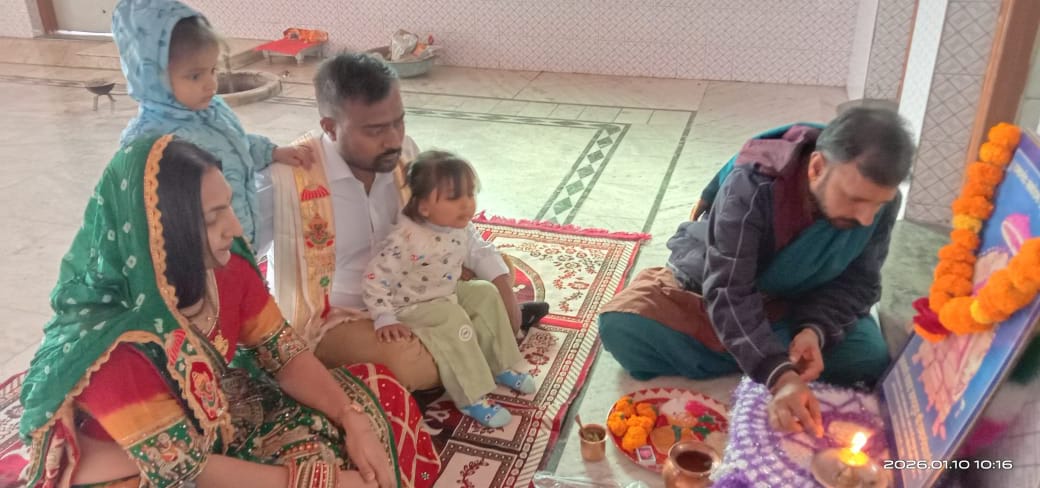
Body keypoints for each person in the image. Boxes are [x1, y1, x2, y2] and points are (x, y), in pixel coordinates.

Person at [18, 136, 440, 487]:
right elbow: (186, 469)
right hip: (141, 463)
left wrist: (351, 419)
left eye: (229, 207)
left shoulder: (227, 267)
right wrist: (317, 481)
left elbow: (285, 353)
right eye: (213, 218)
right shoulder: (117, 346)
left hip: (214, 421)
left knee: (378, 398)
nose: (236, 228)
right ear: (165, 231)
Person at [597, 107, 915, 436]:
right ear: (817, 168)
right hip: (721, 285)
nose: (865, 218)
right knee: (623, 328)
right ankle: (764, 354)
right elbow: (728, 290)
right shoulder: (754, 185)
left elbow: (858, 283)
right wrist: (781, 375)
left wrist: (815, 331)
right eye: (854, 200)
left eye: (877, 205)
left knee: (869, 357)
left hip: (799, 301)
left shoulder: (879, 202)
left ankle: (752, 350)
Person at [265, 53, 547, 392]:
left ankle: (471, 342)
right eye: (375, 130)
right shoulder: (287, 179)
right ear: (330, 127)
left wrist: (501, 285)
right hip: (339, 316)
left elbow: (451, 223)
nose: (393, 140)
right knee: (405, 365)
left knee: (493, 279)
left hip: (412, 293)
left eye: (399, 122)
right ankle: (475, 344)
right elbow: (234, 253)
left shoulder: (404, 155)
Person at [113, 0, 311, 248]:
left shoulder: (212, 109)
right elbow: (142, 220)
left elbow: (235, 145)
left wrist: (271, 152)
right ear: (152, 76)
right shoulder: (148, 142)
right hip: (202, 256)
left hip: (238, 240)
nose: (210, 84)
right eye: (195, 76)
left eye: (213, 70)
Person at [363, 151, 535, 427]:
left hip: (444, 292)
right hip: (410, 305)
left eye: (470, 193)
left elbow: (474, 253)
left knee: (485, 292)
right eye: (454, 197)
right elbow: (374, 277)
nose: (466, 204)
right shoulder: (406, 239)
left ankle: (501, 364)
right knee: (453, 319)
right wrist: (384, 316)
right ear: (424, 208)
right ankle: (471, 397)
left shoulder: (457, 227)